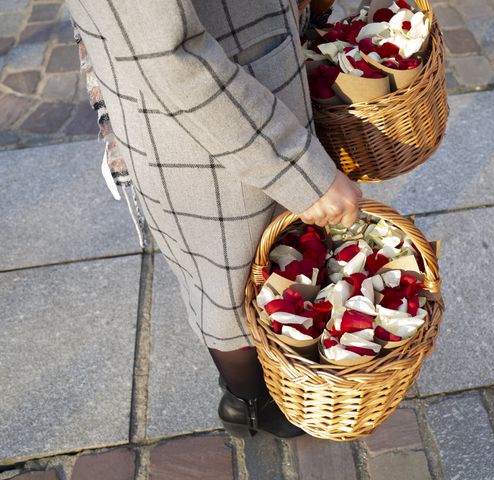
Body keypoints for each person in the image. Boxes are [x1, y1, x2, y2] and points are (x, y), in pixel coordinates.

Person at [67, 0, 362, 438]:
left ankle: (266, 385)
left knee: (268, 268)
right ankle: (248, 402)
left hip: (246, 89)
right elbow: (168, 57)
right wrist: (303, 172)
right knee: (227, 287)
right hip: (203, 129)